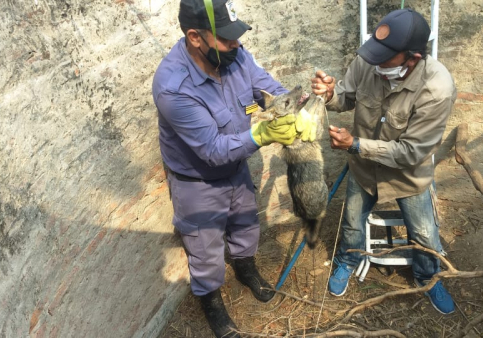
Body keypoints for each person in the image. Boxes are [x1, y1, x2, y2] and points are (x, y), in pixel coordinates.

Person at [151, 0, 314, 337]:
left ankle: (245, 268)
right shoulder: (173, 86)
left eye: (236, 37)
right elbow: (211, 149)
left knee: (245, 225)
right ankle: (212, 302)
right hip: (197, 183)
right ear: (195, 37)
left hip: (236, 167)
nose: (236, 44)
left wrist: (294, 110)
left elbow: (266, 89)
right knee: (205, 249)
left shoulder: (235, 55)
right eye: (226, 39)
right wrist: (263, 133)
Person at [311, 8, 457, 315]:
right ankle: (348, 262)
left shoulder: (437, 87)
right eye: (373, 54)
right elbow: (345, 97)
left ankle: (429, 277)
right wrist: (328, 94)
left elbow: (411, 153)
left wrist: (356, 144)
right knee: (352, 224)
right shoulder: (369, 60)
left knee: (424, 234)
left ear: (412, 58)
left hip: (407, 175)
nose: (374, 63)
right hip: (363, 167)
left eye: (385, 58)